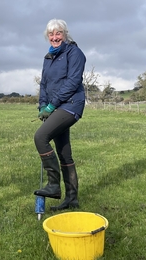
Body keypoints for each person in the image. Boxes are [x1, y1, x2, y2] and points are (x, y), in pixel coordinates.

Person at [33, 19, 86, 211]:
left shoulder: (74, 53)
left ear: (65, 34)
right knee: (64, 153)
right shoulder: (48, 57)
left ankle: (53, 185)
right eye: (51, 34)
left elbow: (73, 82)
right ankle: (72, 200)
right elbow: (44, 84)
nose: (55, 37)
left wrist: (52, 105)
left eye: (59, 33)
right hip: (55, 107)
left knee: (40, 137)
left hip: (71, 105)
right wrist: (42, 105)